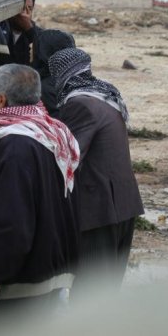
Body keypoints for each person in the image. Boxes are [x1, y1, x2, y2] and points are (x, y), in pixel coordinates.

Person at [0, 64, 79, 330]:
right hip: (49, 273)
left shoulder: (14, 146)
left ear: (1, 100)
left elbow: (11, 223)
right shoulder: (53, 135)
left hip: (17, 286)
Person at [49, 47, 144, 295]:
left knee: (90, 297)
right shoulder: (107, 97)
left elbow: (68, 158)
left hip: (100, 213)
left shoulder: (79, 105)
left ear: (62, 75)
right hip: (124, 206)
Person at [32, 29, 76, 114]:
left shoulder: (44, 88)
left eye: (34, 47)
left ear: (42, 52)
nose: (30, 50)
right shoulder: (75, 78)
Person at [0, 0, 39, 67]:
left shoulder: (35, 33)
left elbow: (42, 51)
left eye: (30, 9)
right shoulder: (1, 29)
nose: (25, 14)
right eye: (22, 8)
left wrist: (29, 28)